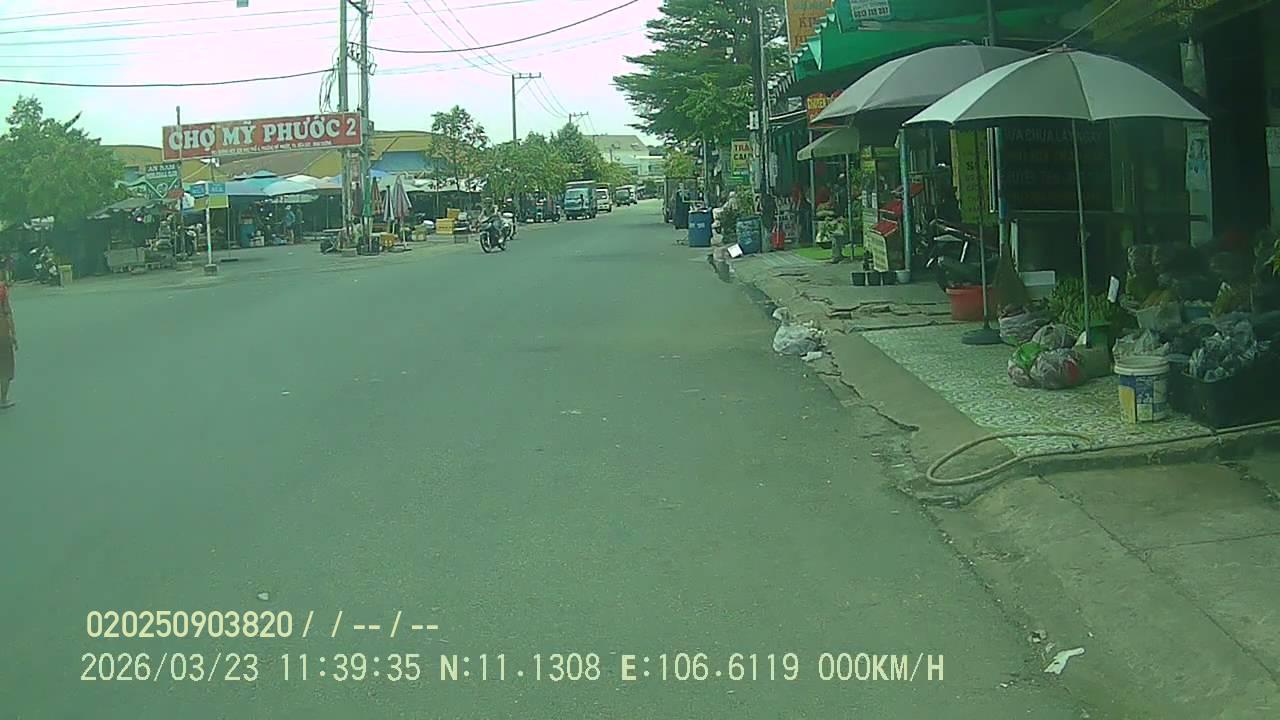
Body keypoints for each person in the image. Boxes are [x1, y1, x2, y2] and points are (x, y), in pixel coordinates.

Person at [0, 280, 16, 409]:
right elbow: (8, 313)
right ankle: (3, 400)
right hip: (2, 331)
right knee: (5, 366)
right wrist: (13, 334)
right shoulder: (1, 289)